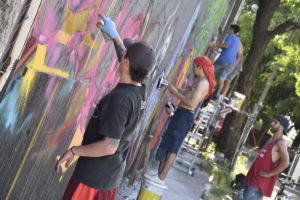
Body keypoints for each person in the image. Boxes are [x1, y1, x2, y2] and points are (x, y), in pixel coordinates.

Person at [55, 14, 156, 200]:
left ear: (127, 63)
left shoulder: (120, 100)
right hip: (110, 177)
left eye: (126, 54)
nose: (123, 53)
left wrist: (73, 151)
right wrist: (114, 35)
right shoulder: (141, 87)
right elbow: (127, 60)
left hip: (92, 182)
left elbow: (109, 146)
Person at [148, 56, 215, 184]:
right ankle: (159, 175)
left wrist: (174, 92)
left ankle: (162, 177)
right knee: (168, 144)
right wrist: (168, 86)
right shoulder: (199, 80)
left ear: (200, 67)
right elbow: (185, 92)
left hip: (185, 115)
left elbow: (191, 103)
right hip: (180, 114)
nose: (193, 69)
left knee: (173, 148)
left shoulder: (203, 83)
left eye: (194, 67)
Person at [241, 115, 290, 200]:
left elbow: (286, 163)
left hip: (258, 184)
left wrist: (268, 174)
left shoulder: (280, 143)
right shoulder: (271, 139)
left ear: (282, 127)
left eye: (275, 122)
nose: (271, 123)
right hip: (251, 179)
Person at [208, 24, 240, 99]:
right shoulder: (238, 41)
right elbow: (230, 50)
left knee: (210, 70)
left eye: (230, 29)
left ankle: (206, 86)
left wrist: (214, 44)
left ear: (232, 30)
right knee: (222, 78)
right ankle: (217, 95)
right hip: (231, 63)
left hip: (224, 59)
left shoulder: (230, 36)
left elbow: (226, 46)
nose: (228, 30)